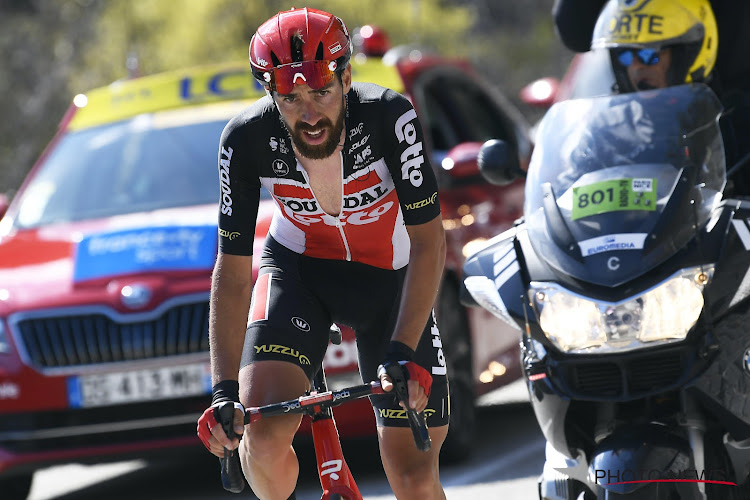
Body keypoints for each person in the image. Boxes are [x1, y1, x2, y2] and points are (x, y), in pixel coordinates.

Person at [195, 7, 448, 500]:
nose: (309, 114)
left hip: (390, 282)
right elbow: (232, 267)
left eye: (322, 92)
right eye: (289, 99)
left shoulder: (389, 117)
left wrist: (401, 351)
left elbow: (429, 241)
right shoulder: (245, 140)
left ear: (347, 75)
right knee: (260, 440)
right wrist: (223, 390)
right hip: (300, 276)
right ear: (270, 94)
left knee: (414, 477)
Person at [553, 0, 750, 195]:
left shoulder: (735, 128)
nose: (637, 66)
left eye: (650, 55)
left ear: (689, 54)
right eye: (625, 56)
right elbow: (566, 197)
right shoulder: (608, 132)